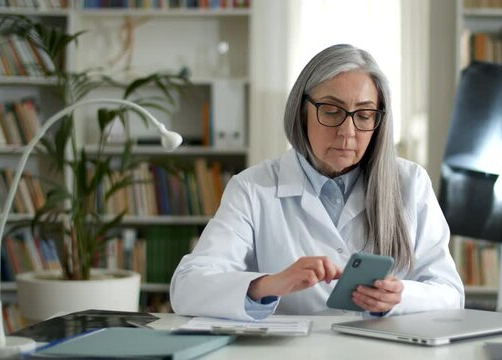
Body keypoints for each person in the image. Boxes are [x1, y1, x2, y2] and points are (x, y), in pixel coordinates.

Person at [170, 44, 464, 320]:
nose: (347, 132)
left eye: (364, 115)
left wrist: (401, 297)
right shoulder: (252, 188)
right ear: (302, 111)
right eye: (332, 111)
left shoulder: (410, 183)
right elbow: (187, 288)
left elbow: (450, 292)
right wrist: (269, 284)